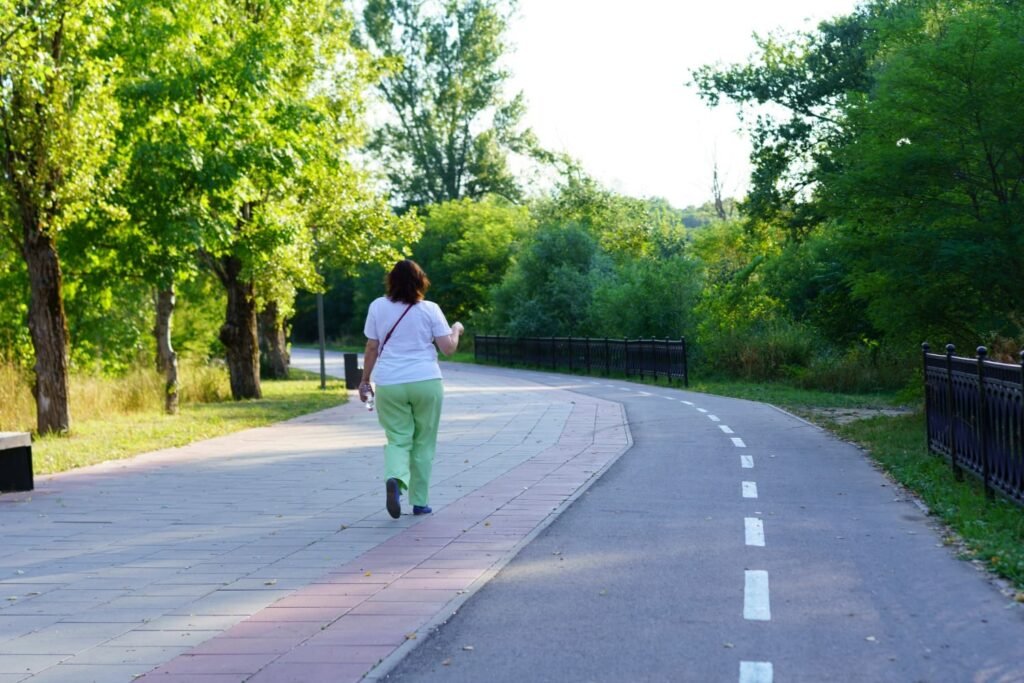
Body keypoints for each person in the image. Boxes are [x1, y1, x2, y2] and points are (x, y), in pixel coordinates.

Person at [359, 260, 464, 519]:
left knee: (398, 438)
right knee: (424, 441)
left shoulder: (377, 306)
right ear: (421, 282)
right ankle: (420, 502)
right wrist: (456, 329)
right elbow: (448, 348)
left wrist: (364, 380)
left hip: (390, 383)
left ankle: (395, 479)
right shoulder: (430, 309)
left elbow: (372, 347)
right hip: (426, 381)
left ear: (391, 281)